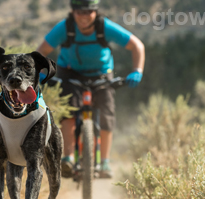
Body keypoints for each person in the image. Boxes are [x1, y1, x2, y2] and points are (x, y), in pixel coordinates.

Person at [36, 0, 145, 178]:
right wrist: (39, 72)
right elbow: (41, 52)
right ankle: (68, 158)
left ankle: (105, 162)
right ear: (73, 12)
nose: (84, 16)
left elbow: (137, 46)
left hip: (101, 74)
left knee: (106, 114)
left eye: (88, 12)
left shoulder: (105, 27)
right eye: (79, 12)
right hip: (70, 73)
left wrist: (137, 71)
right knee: (69, 112)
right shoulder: (64, 28)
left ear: (95, 12)